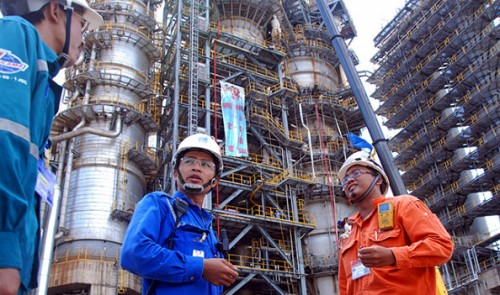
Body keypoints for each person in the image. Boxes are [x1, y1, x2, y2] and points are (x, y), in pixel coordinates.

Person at [0, 1, 102, 294]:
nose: (84, 40)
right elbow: (5, 137)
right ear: (55, 11)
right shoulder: (15, 35)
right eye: (82, 26)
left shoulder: (42, 75)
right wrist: (4, 246)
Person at [121, 133, 239, 294]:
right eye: (189, 161)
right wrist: (201, 267)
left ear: (215, 181)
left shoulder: (209, 231)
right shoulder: (160, 205)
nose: (196, 167)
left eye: (206, 164)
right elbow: (133, 254)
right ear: (176, 173)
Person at [337, 151, 453, 295]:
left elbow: (441, 246)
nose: (349, 180)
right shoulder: (349, 232)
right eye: (345, 179)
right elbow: (344, 285)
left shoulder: (403, 205)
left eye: (356, 173)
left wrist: (393, 256)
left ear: (378, 179)